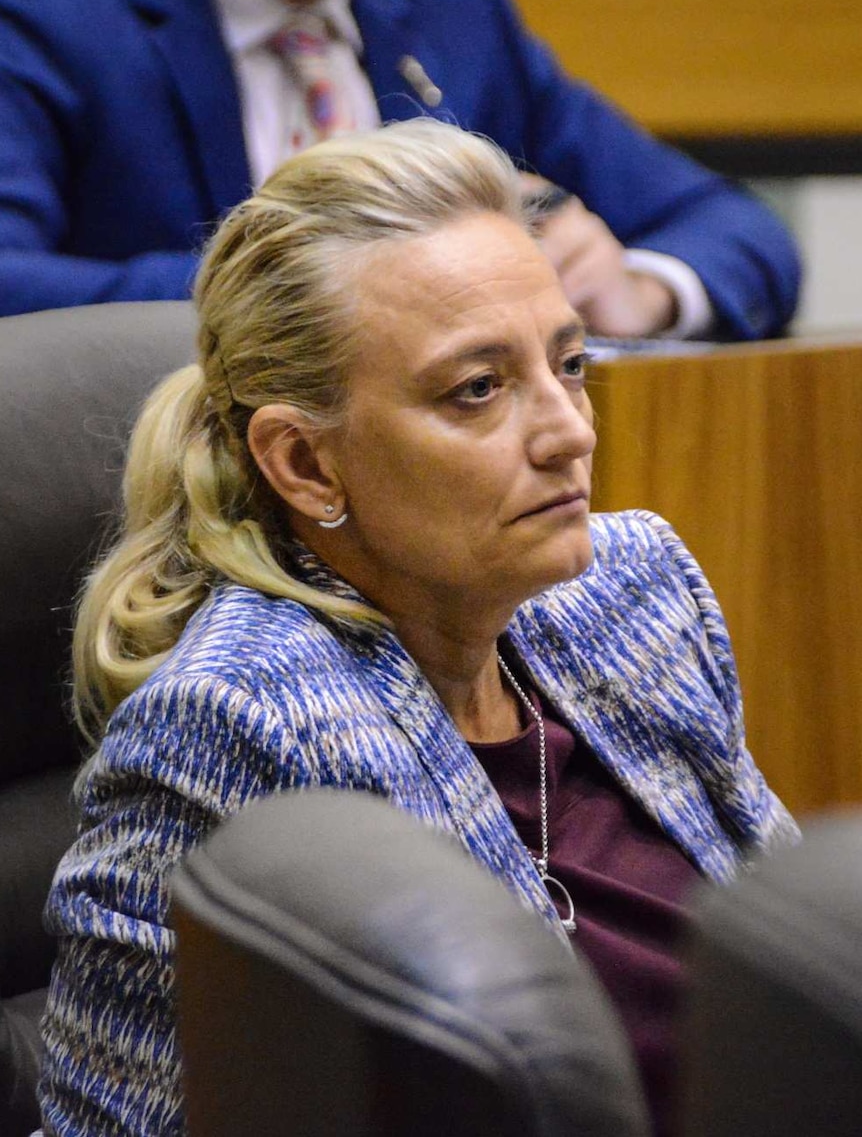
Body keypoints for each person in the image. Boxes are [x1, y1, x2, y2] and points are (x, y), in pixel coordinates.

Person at [38, 120, 798, 1137]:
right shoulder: (232, 729)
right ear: (306, 465)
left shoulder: (635, 590)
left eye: (568, 364)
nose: (570, 431)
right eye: (477, 389)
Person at [0, 0, 800, 339]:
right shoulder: (48, 18)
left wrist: (642, 291)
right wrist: (337, 285)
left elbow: (736, 229)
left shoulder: (453, 11)